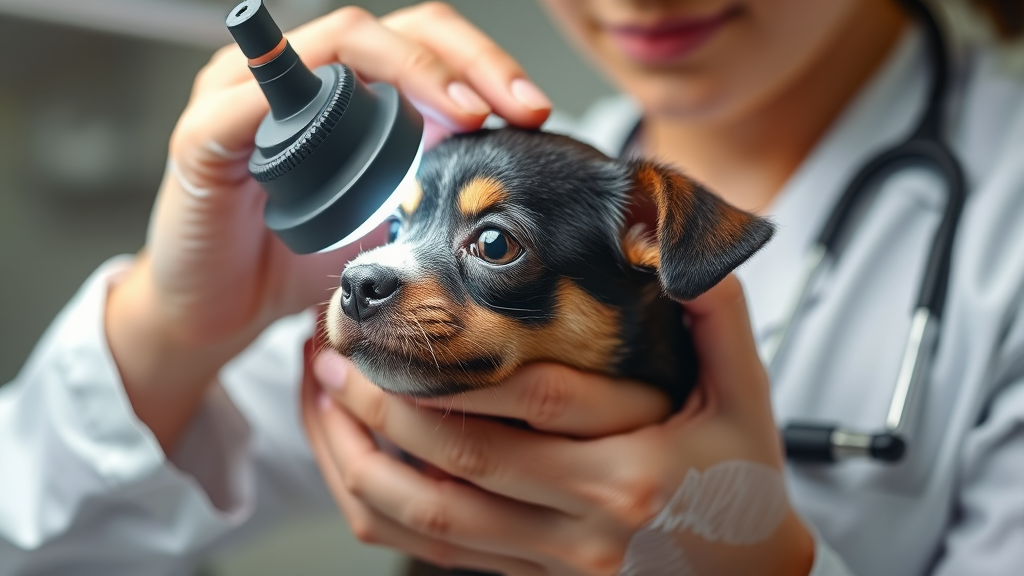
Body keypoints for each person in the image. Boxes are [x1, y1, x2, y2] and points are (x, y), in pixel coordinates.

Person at [3, 0, 1024, 574]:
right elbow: (42, 544)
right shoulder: (447, 197)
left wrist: (759, 565)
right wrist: (172, 328)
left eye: (492, 244)